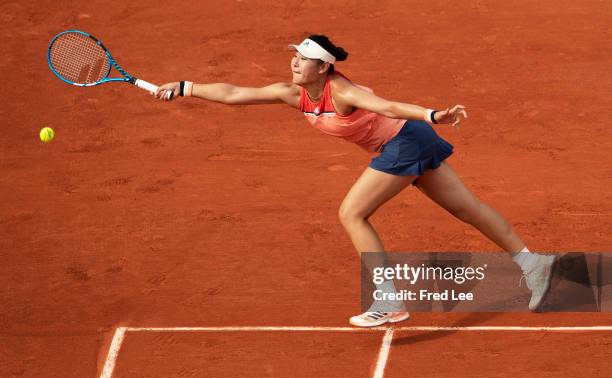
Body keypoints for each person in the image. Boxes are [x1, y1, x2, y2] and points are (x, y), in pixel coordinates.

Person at [154, 35, 555, 327]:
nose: (295, 62)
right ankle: (533, 264)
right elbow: (233, 93)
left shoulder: (341, 91)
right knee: (467, 209)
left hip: (405, 141)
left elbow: (388, 106)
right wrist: (187, 87)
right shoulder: (292, 94)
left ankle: (389, 298)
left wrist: (434, 115)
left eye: (304, 58)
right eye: (295, 55)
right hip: (405, 143)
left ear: (324, 66)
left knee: (352, 213)